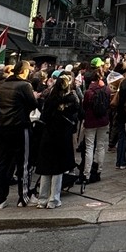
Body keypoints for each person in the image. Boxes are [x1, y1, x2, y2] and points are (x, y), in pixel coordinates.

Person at [0, 61, 36, 208]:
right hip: (20, 126)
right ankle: (23, 197)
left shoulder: (2, 84)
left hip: (4, 126)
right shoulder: (25, 85)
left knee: (3, 163)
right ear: (24, 72)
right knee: (24, 163)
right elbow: (33, 104)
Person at [34, 73, 80, 208]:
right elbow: (77, 112)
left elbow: (44, 117)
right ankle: (54, 199)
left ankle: (42, 199)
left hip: (48, 136)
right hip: (61, 136)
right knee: (57, 170)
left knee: (46, 169)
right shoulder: (70, 101)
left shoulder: (49, 100)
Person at [81, 69, 111, 183]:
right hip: (103, 120)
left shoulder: (89, 92)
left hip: (91, 121)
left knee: (89, 147)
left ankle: (86, 173)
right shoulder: (107, 89)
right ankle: (99, 170)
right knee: (101, 146)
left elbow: (84, 106)